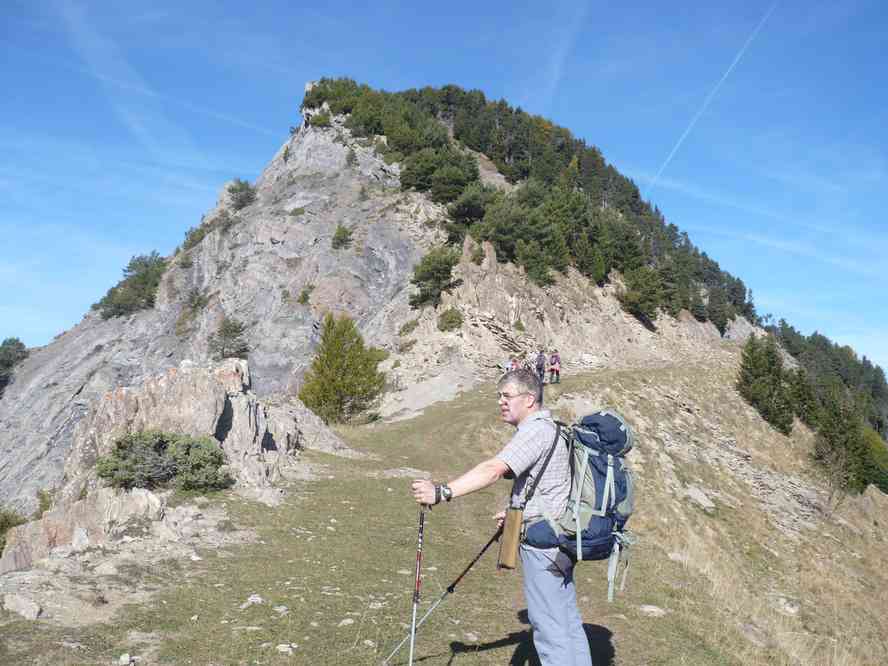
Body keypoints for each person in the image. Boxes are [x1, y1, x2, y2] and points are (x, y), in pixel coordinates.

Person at [411, 369, 591, 666]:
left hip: (545, 544)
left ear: (529, 399)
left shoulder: (536, 431)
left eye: (507, 396)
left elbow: (493, 470)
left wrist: (441, 492)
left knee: (550, 627)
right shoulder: (554, 428)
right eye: (499, 396)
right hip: (561, 536)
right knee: (567, 621)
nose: (500, 402)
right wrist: (517, 514)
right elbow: (549, 487)